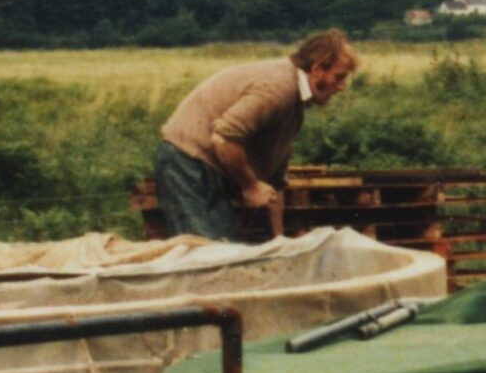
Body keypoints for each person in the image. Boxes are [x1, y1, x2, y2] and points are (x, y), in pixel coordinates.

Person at [153, 30, 358, 241]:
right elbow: (224, 139)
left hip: (207, 165)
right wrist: (250, 186)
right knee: (206, 251)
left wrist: (279, 238)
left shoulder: (294, 106)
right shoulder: (279, 88)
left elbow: (274, 182)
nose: (341, 87)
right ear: (316, 70)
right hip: (186, 162)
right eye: (339, 77)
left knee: (225, 248)